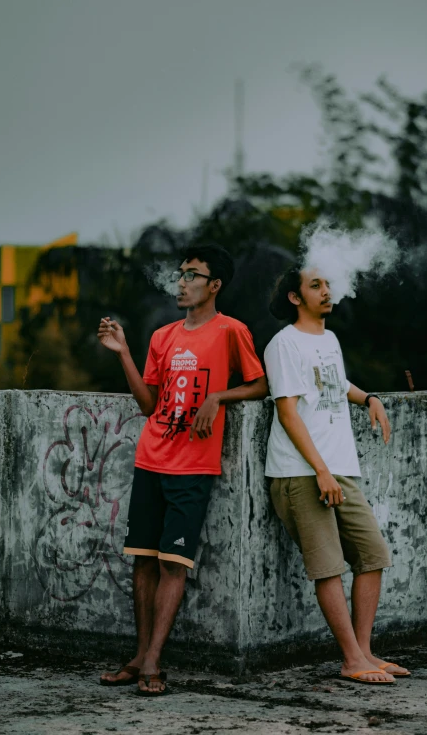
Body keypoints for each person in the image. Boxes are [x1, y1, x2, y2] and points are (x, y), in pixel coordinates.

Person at [98, 244, 267, 695]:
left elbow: (259, 383)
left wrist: (218, 396)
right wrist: (123, 353)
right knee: (143, 560)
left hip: (194, 465)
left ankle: (155, 659)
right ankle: (139, 656)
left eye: (193, 274)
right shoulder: (163, 336)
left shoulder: (232, 331)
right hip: (151, 458)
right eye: (180, 274)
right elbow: (149, 404)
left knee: (174, 562)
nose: (182, 281)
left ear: (214, 285)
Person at [264, 265, 409, 685]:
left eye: (327, 284)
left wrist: (370, 398)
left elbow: (335, 383)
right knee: (327, 567)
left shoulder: (329, 339)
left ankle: (364, 652)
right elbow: (288, 413)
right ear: (295, 297)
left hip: (340, 469)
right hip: (302, 472)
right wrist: (320, 471)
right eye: (316, 285)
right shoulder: (283, 344)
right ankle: (350, 660)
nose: (327, 291)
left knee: (372, 555)